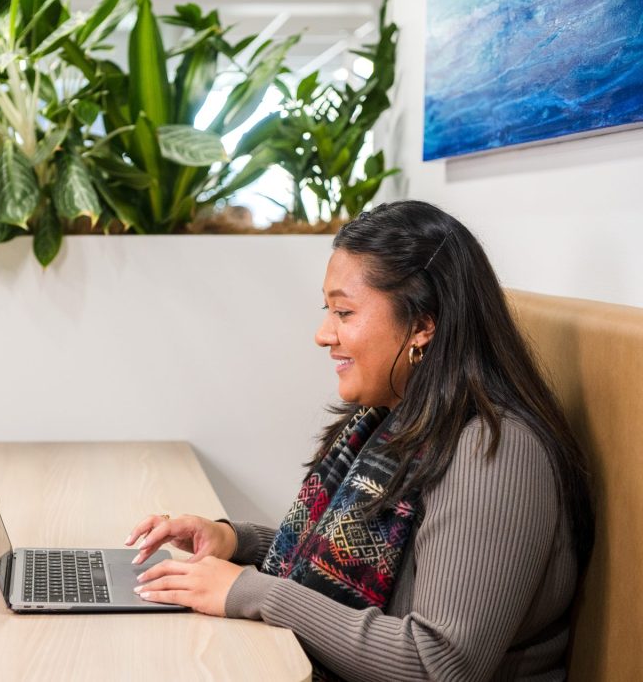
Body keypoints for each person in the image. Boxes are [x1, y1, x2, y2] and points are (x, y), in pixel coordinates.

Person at [125, 201, 593, 681]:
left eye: (344, 312)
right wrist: (236, 541)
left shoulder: (493, 452)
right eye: (328, 310)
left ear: (423, 325)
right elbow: (349, 566)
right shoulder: (394, 420)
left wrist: (253, 591)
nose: (323, 334)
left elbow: (437, 665)